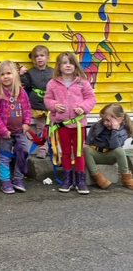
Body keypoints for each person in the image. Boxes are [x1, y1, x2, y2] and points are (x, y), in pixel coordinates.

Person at [44, 52, 96, 194]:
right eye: (64, 63)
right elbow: (47, 99)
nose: (68, 65)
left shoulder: (83, 82)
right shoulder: (52, 83)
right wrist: (54, 105)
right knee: (65, 152)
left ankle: (80, 181)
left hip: (79, 125)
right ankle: (67, 179)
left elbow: (91, 98)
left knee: (78, 152)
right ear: (59, 66)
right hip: (62, 125)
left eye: (71, 63)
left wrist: (83, 108)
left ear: (75, 65)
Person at [0, 60, 31, 194]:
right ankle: (5, 181)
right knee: (4, 157)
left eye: (9, 73)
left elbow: (27, 109)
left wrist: (26, 123)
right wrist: (2, 130)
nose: (6, 76)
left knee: (23, 152)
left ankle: (18, 179)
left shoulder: (21, 92)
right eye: (2, 74)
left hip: (20, 131)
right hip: (4, 133)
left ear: (15, 75)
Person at [84, 103, 133, 190]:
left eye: (108, 120)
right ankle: (97, 177)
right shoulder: (98, 125)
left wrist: (114, 130)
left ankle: (126, 178)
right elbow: (89, 139)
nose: (105, 123)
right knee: (86, 150)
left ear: (119, 120)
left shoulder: (123, 132)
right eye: (103, 120)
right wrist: (86, 144)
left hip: (110, 156)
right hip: (97, 155)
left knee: (119, 150)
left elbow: (114, 146)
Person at [19, 45, 53, 159]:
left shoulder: (53, 72)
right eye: (36, 56)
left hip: (52, 105)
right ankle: (42, 149)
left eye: (42, 55)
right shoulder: (31, 72)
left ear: (47, 58)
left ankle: (53, 148)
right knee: (41, 128)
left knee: (53, 128)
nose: (39, 58)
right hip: (37, 104)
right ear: (33, 59)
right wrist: (22, 75)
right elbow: (27, 85)